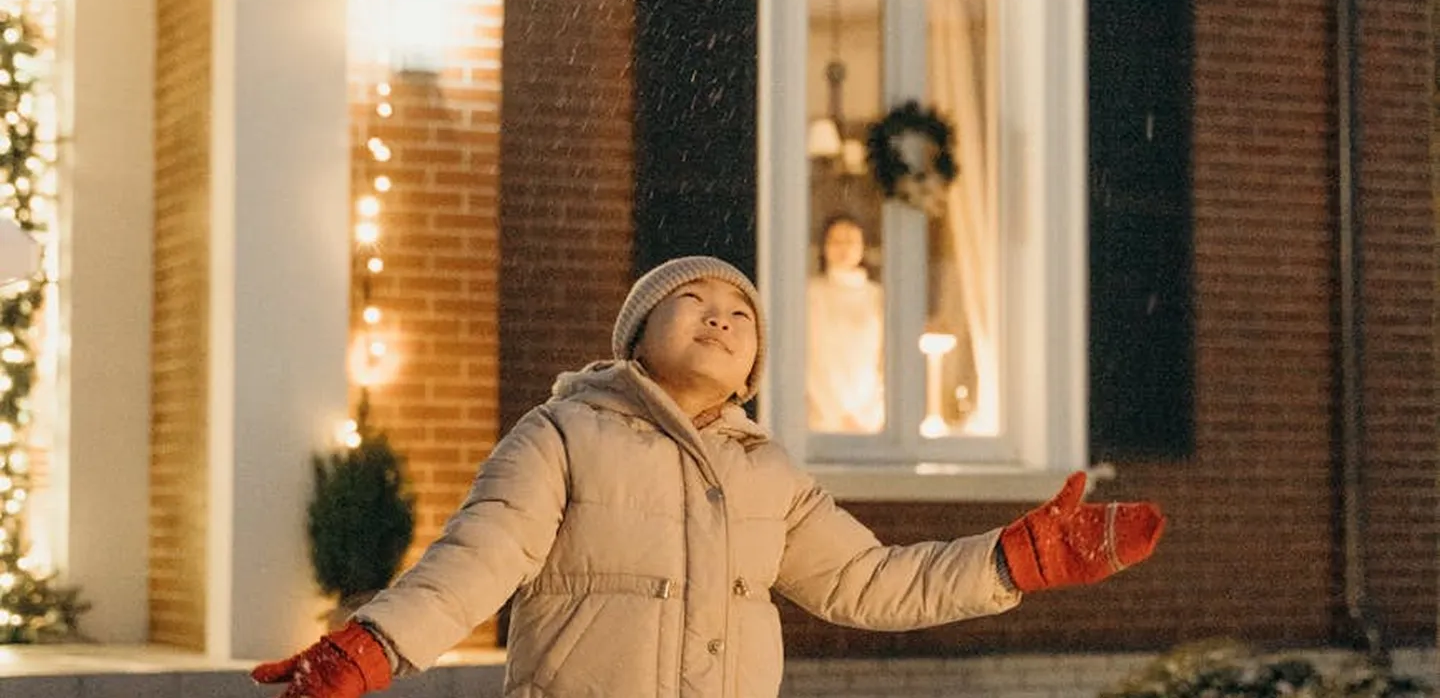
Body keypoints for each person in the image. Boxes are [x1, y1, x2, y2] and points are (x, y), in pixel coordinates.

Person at [252, 255, 1166, 698]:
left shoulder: (768, 475)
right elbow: (475, 560)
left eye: (741, 313)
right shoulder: (564, 434)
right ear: (636, 339)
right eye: (691, 300)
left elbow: (870, 581)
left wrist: (1012, 560)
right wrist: (370, 646)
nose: (720, 316)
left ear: (755, 363)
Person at [807, 213, 885, 433]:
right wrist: (835, 413)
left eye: (851, 241)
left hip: (871, 420)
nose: (843, 248)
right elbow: (808, 362)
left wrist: (871, 413)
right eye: (835, 241)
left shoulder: (877, 296)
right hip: (818, 417)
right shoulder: (810, 294)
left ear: (862, 247)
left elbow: (886, 361)